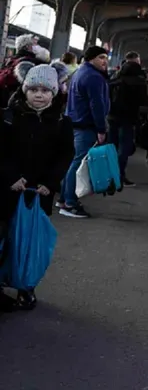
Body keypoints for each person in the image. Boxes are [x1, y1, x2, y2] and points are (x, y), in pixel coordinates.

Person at [0, 61, 74, 310]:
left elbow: (65, 155)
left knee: (30, 243)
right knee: (3, 238)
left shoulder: (63, 122)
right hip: (6, 189)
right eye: (33, 89)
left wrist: (50, 183)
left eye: (45, 90)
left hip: (38, 193)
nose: (39, 95)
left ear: (54, 92)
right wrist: (11, 176)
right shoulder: (8, 117)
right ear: (24, 90)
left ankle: (25, 287)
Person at [57, 46, 110, 218]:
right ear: (91, 58)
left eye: (106, 57)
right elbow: (97, 105)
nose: (105, 61)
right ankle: (70, 204)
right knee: (78, 165)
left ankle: (64, 199)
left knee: (72, 163)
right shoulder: (94, 77)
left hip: (74, 124)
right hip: (85, 126)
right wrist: (101, 129)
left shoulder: (80, 73)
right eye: (101, 57)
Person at [108, 51, 148, 187]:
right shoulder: (139, 81)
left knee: (112, 146)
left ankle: (109, 175)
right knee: (124, 149)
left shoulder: (115, 79)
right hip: (129, 119)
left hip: (112, 117)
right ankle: (119, 176)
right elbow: (143, 101)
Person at [0, 34, 51, 106]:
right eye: (34, 44)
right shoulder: (30, 61)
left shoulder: (10, 60)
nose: (37, 47)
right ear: (27, 47)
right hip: (19, 101)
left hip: (5, 96)